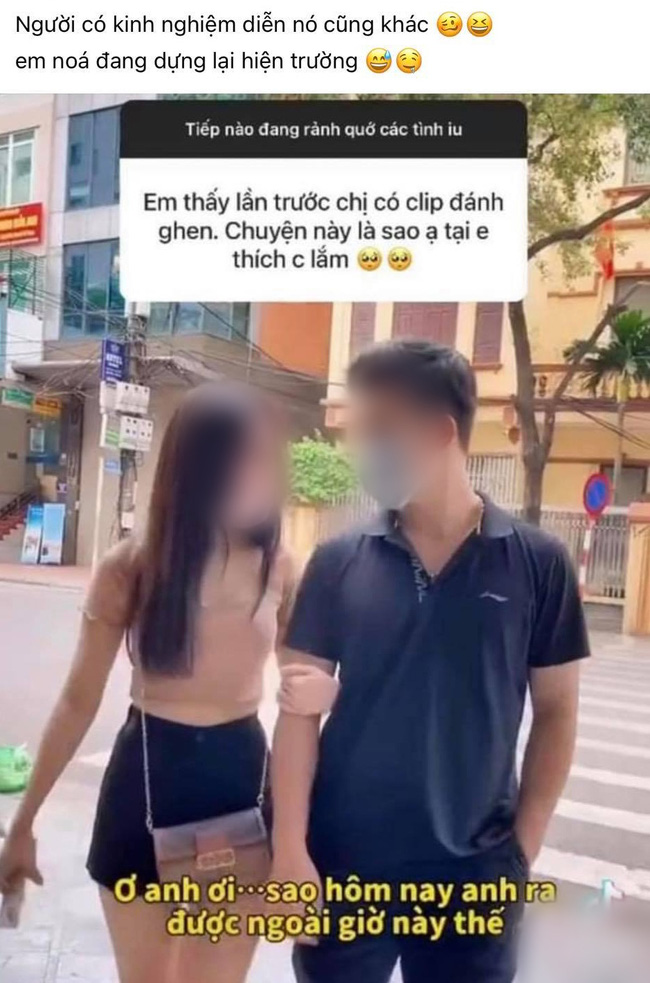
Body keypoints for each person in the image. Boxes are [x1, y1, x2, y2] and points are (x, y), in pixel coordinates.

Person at [272, 340, 589, 983]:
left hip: (474, 875)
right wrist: (289, 852)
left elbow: (556, 713)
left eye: (380, 430)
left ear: (441, 433)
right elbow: (298, 713)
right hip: (344, 865)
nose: (364, 450)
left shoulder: (538, 563)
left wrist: (519, 855)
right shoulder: (337, 561)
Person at [0, 383, 337, 983]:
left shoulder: (280, 566)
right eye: (248, 458)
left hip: (239, 787)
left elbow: (298, 704)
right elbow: (77, 701)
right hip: (144, 785)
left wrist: (293, 844)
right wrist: (23, 824)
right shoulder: (130, 568)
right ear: (199, 467)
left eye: (268, 460)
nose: (265, 477)